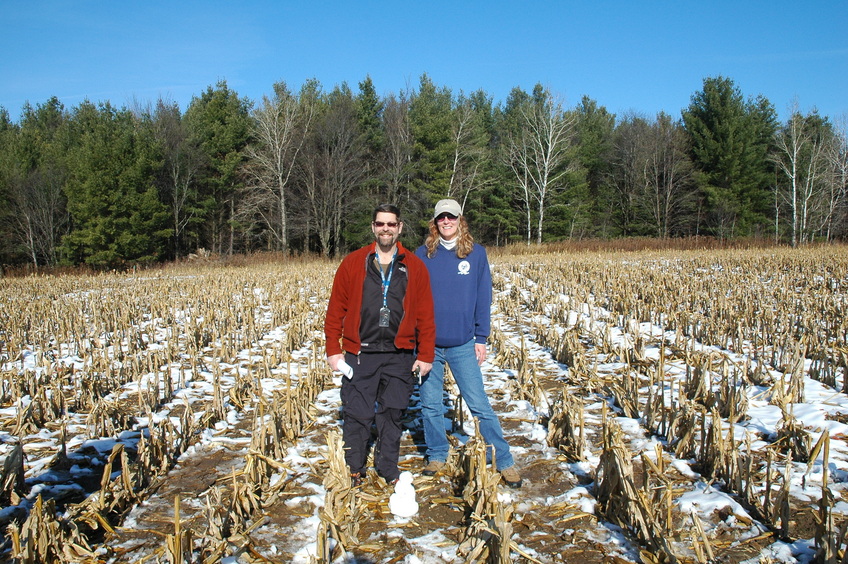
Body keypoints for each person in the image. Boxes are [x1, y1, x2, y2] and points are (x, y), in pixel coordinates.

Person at [325, 203, 435, 486]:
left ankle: (388, 469)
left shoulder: (414, 266)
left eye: (391, 224)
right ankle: (354, 468)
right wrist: (333, 350)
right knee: (357, 413)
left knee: (391, 415)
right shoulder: (353, 262)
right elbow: (335, 309)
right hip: (361, 354)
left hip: (399, 355)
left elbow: (425, 314)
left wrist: (425, 355)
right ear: (373, 227)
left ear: (399, 227)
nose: (385, 229)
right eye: (380, 224)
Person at [415, 199, 522, 488]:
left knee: (479, 405)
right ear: (435, 223)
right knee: (431, 405)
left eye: (451, 217)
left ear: (461, 220)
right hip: (428, 346)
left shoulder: (476, 255)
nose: (446, 222)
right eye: (441, 218)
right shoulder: (422, 255)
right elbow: (411, 299)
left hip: (463, 343)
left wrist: (481, 338)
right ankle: (437, 454)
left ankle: (504, 459)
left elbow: (482, 298)